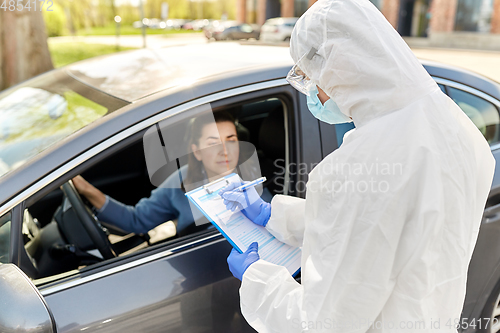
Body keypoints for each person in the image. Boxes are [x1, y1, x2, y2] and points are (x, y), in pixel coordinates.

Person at [219, 0, 496, 332]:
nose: (314, 95)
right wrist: (273, 215)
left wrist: (257, 279)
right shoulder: (457, 128)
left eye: (310, 80)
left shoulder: (363, 162)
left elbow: (323, 324)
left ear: (338, 68)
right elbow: (379, 225)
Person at [73, 111, 253, 237]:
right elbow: (135, 220)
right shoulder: (182, 181)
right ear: (196, 152)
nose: (225, 151)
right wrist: (87, 190)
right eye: (213, 143)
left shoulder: (257, 182)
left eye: (231, 140)